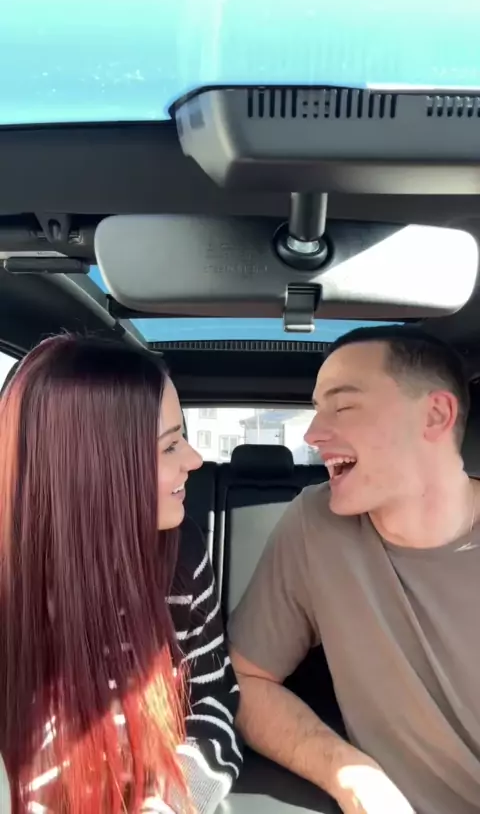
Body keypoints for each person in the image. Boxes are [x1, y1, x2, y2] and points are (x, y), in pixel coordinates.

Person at [229, 325, 480, 814]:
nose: (311, 434)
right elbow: (246, 680)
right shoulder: (316, 524)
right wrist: (347, 771)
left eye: (343, 407)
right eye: (316, 408)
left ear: (435, 415)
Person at [0, 335, 242, 814]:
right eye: (170, 445)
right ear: (97, 467)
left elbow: (213, 697)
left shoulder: (180, 553)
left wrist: (175, 799)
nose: (195, 460)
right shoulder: (12, 586)